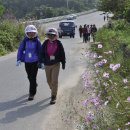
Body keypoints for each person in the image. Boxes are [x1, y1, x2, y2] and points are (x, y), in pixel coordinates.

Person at [40, 28, 66, 105]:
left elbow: (62, 54)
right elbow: (41, 53)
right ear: (47, 36)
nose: (51, 36)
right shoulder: (45, 43)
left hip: (56, 64)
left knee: (54, 80)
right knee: (49, 80)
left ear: (55, 35)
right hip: (47, 64)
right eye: (49, 35)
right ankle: (53, 89)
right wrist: (40, 61)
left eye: (53, 35)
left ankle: (53, 96)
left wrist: (63, 63)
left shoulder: (59, 43)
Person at [16, 24, 42, 101]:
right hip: (27, 62)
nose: (31, 34)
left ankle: (32, 93)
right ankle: (34, 84)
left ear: (35, 33)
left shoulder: (37, 41)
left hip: (35, 61)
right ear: (26, 33)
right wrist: (18, 59)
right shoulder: (24, 41)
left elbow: (40, 51)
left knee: (32, 77)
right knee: (29, 76)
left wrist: (41, 61)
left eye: (32, 33)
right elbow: (20, 50)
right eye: (29, 33)